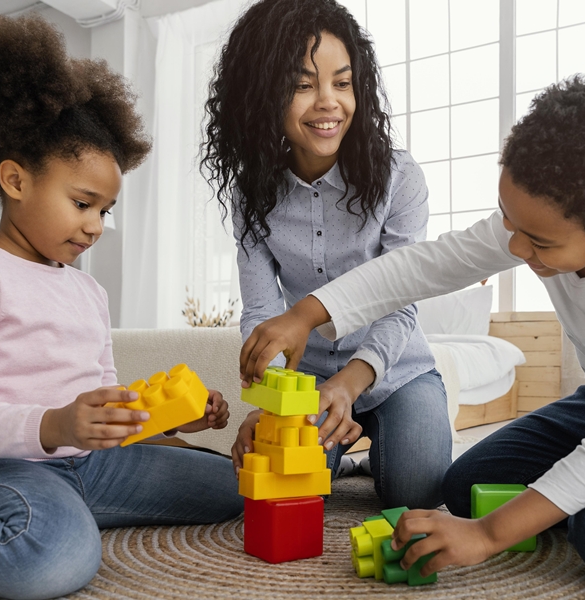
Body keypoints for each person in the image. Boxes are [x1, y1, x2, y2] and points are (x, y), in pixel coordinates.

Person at [237, 74, 585, 587]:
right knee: (466, 487)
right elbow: (422, 266)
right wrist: (306, 312)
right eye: (509, 223)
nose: (516, 249)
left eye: (538, 244)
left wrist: (489, 536)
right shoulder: (538, 221)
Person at [0, 15, 242, 600]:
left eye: (106, 210)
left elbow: (106, 412)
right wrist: (53, 425)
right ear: (16, 181)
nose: (96, 227)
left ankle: (58, 510)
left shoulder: (86, 291)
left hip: (83, 465)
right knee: (53, 559)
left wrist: (173, 417)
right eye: (82, 203)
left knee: (235, 485)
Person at [202, 0, 451, 509]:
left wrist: (349, 383)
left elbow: (401, 298)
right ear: (261, 93)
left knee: (417, 490)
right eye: (301, 85)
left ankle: (367, 447)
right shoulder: (252, 194)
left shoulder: (401, 178)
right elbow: (260, 310)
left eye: (342, 82)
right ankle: (347, 449)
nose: (328, 103)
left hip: (397, 368)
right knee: (276, 486)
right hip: (307, 381)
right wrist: (275, 403)